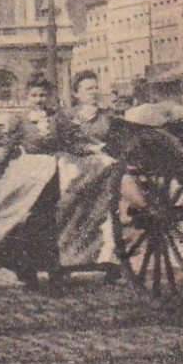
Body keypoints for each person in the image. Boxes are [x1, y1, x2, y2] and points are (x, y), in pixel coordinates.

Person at [0, 75, 77, 288]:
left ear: (49, 96)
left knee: (48, 220)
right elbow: (7, 149)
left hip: (51, 173)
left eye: (43, 95)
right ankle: (28, 269)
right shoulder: (20, 120)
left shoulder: (56, 118)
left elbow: (68, 142)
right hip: (29, 174)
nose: (39, 99)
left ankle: (51, 268)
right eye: (34, 95)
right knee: (29, 220)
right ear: (26, 97)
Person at [60, 70, 122, 280]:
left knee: (111, 209)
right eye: (88, 89)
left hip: (104, 165)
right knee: (72, 201)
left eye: (96, 87)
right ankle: (69, 258)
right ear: (77, 93)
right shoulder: (70, 115)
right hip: (76, 162)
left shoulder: (106, 115)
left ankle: (109, 258)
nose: (93, 92)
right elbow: (65, 141)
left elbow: (115, 140)